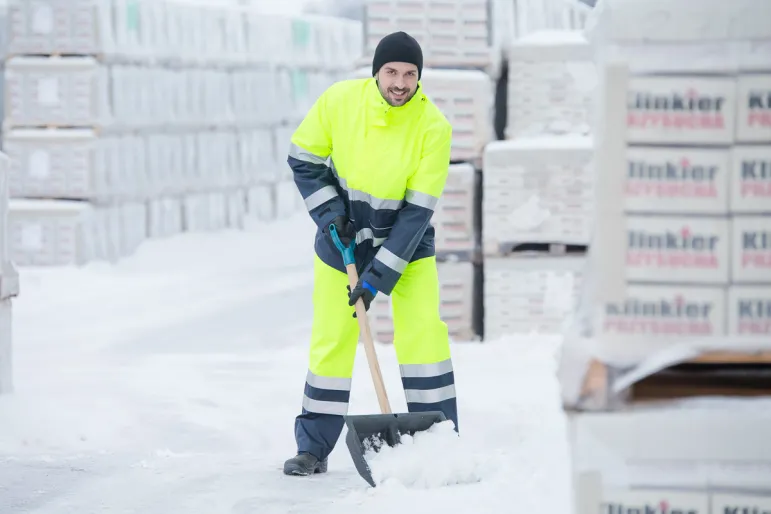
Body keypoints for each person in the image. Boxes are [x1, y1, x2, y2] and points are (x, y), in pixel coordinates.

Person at [283, 31, 459, 477]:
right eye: (392, 72)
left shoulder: (433, 128)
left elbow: (416, 213)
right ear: (377, 71)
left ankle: (438, 439)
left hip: (407, 247)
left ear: (420, 77)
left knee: (424, 336)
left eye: (410, 74)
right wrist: (329, 215)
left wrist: (376, 278)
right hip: (342, 242)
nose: (400, 83)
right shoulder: (340, 102)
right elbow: (303, 157)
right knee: (332, 341)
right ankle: (313, 449)